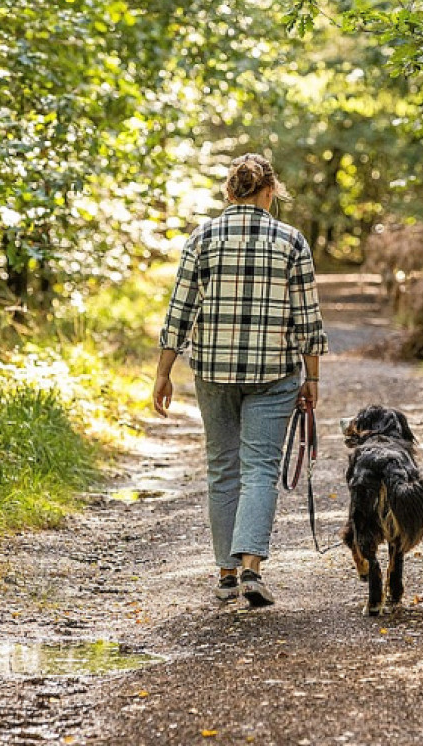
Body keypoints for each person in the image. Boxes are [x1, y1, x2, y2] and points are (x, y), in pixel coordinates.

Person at [152, 153, 328, 607]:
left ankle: (226, 574)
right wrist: (312, 378)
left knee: (222, 467)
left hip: (213, 371)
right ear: (270, 192)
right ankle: (251, 568)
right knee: (260, 470)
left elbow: (180, 310)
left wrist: (163, 372)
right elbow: (307, 320)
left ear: (230, 193)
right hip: (274, 373)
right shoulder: (292, 240)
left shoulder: (201, 238)